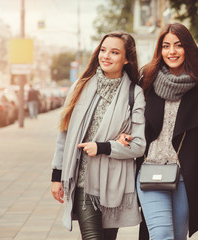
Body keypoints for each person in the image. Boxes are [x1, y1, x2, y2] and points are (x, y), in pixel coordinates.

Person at [135, 22, 198, 240]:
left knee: (177, 236)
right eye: (166, 46)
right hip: (149, 171)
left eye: (178, 45)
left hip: (186, 176)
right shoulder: (147, 80)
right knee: (162, 235)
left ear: (188, 48)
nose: (172, 52)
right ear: (160, 50)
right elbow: (133, 119)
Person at [50, 32, 146, 240]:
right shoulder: (80, 86)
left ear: (126, 59)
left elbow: (138, 145)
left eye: (114, 52)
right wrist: (56, 176)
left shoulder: (134, 93)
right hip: (83, 182)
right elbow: (64, 136)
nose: (106, 56)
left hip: (114, 185)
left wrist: (104, 147)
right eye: (103, 50)